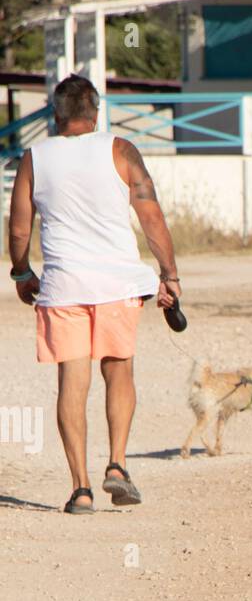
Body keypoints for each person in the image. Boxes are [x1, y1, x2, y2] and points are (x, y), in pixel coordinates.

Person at [8, 73, 181, 514]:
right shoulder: (121, 150)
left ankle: (80, 489)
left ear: (56, 114)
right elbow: (152, 217)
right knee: (118, 372)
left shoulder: (35, 157)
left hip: (63, 285)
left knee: (72, 381)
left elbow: (19, 226)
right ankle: (118, 465)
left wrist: (23, 272)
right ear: (96, 111)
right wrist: (169, 274)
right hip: (118, 284)